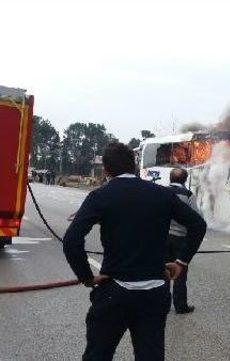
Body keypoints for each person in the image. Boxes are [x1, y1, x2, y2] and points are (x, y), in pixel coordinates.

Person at [62, 142, 207, 361]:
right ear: (135, 166)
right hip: (154, 293)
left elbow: (72, 240)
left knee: (98, 355)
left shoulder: (100, 196)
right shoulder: (161, 194)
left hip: (114, 292)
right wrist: (181, 262)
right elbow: (198, 224)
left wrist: (87, 277)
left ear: (106, 170)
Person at [166, 167, 202, 314]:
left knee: (163, 270)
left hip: (163, 238)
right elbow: (197, 218)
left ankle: (162, 304)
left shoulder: (162, 192)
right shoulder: (188, 195)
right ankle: (180, 306)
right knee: (180, 272)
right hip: (181, 239)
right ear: (185, 180)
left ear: (170, 178)